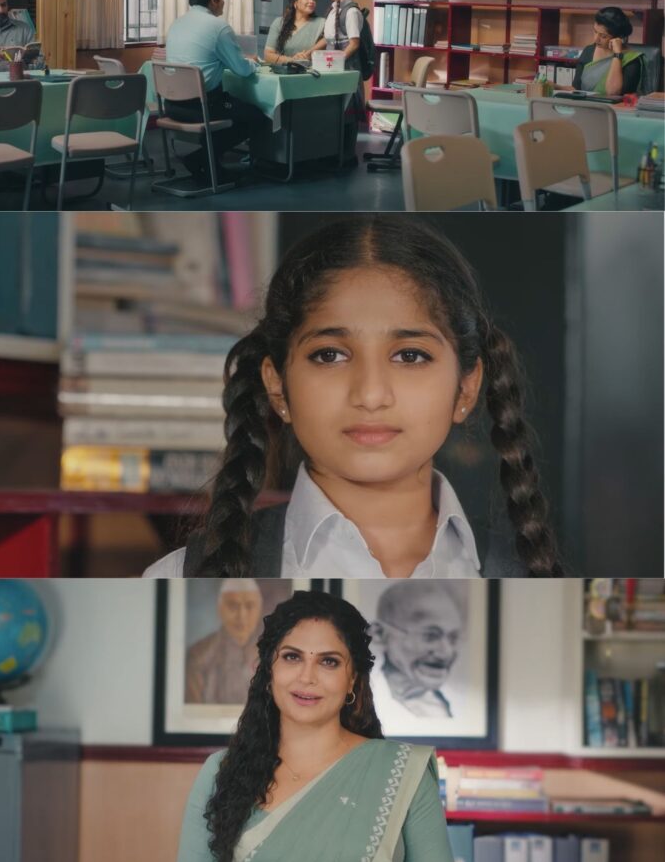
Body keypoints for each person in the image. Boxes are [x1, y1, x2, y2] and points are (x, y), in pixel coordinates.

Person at [143, 215, 564, 581]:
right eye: (330, 355)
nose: (370, 394)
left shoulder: (533, 580)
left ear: (466, 388)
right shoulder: (175, 578)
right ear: (278, 386)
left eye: (410, 355)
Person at [173, 591, 460, 862]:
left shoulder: (402, 771)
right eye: (292, 657)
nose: (307, 677)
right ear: (269, 670)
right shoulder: (221, 772)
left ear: (352, 680)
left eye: (328, 661)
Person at [164, 0, 267, 177]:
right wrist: (254, 62)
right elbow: (243, 70)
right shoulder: (218, 27)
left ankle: (209, 163)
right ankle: (201, 159)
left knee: (231, 107)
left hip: (172, 105)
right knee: (257, 117)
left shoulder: (176, 24)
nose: (224, 1)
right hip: (201, 107)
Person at [370, 583, 464, 733]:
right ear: (379, 634)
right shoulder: (357, 701)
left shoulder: (453, 708)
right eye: (430, 635)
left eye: (453, 638)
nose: (445, 652)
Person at [185, 580, 263, 705]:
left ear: (259, 610)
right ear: (220, 609)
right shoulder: (198, 657)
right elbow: (193, 713)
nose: (241, 616)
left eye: (249, 606)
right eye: (233, 606)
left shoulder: (271, 656)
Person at [322, 0, 367, 160]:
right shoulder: (334, 10)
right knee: (336, 111)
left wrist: (337, 59)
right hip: (334, 66)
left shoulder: (351, 13)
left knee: (349, 112)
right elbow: (328, 39)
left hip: (347, 69)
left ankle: (347, 155)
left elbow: (354, 43)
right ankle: (333, 151)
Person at [572, 7, 645, 96]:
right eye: (595, 32)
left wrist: (617, 55)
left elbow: (613, 92)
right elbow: (576, 89)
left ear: (618, 37)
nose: (596, 39)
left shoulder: (631, 60)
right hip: (585, 107)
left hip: (612, 109)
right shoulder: (589, 50)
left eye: (603, 36)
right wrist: (556, 86)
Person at [263, 0, 325, 65]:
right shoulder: (279, 23)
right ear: (295, 2)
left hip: (309, 73)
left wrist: (307, 55)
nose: (311, 1)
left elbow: (327, 43)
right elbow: (268, 55)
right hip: (283, 71)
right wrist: (292, 60)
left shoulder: (321, 23)